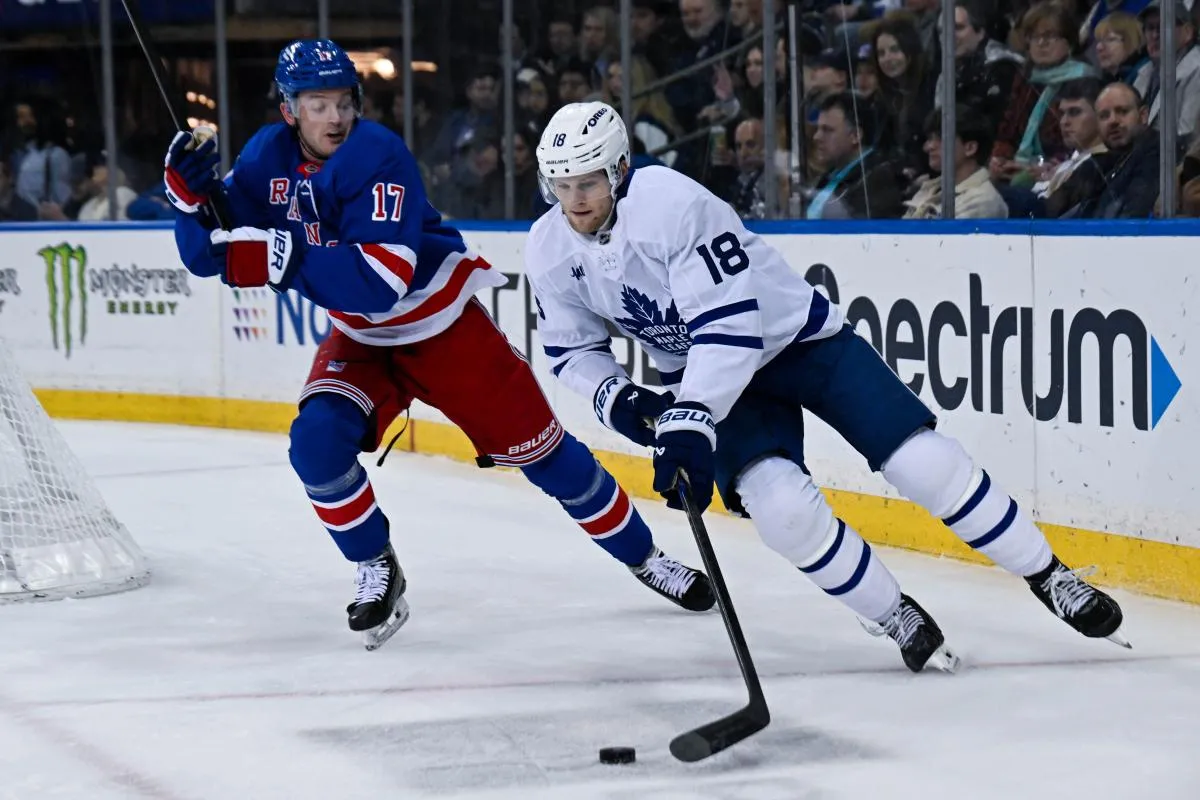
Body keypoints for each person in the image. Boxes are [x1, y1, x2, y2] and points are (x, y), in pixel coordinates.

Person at [525, 101, 1129, 673]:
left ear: (620, 168)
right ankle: (894, 615)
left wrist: (690, 419)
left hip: (797, 341)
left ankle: (1049, 575)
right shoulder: (549, 248)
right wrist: (622, 401)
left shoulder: (672, 205)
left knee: (924, 463)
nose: (575, 201)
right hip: (704, 376)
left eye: (588, 183)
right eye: (562, 185)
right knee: (782, 512)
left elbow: (731, 326)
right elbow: (570, 350)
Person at [165, 41, 715, 650]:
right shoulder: (265, 155)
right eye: (317, 104)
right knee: (315, 445)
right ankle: (377, 564)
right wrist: (189, 203)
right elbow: (206, 253)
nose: (335, 117)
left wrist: (273, 255)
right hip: (362, 340)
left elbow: (379, 282)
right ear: (289, 109)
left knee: (548, 458)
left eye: (343, 101)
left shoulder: (378, 154)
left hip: (444, 330)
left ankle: (645, 557)